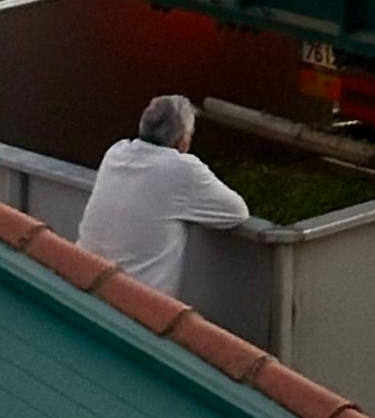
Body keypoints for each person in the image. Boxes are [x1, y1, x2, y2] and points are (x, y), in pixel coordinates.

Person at [74, 95, 248, 295]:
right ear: (182, 140)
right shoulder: (183, 169)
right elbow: (237, 212)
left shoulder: (116, 151)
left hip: (85, 285)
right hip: (136, 301)